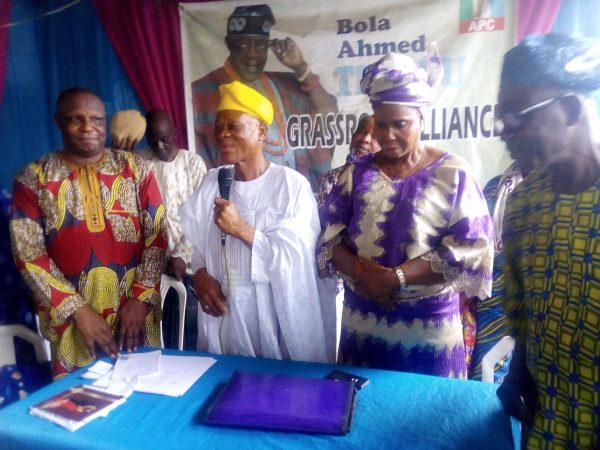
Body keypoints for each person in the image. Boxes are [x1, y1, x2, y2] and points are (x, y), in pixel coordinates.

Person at [318, 52, 493, 378]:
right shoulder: (355, 174)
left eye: (400, 124)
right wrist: (365, 277)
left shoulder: (453, 173)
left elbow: (472, 248)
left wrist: (394, 278)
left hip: (428, 333)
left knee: (427, 408)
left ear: (421, 119)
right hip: (362, 325)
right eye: (381, 124)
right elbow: (328, 238)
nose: (388, 135)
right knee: (360, 404)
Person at [10, 87, 167, 378]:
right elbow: (29, 254)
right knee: (80, 396)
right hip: (72, 322)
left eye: (96, 119)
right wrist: (77, 310)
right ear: (59, 121)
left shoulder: (135, 168)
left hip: (134, 316)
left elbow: (156, 236)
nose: (87, 127)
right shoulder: (33, 178)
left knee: (145, 389)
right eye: (75, 119)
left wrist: (141, 297)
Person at [495, 33, 600, 449]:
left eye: (516, 116)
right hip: (548, 423)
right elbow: (523, 313)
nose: (503, 132)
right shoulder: (524, 203)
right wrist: (520, 376)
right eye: (499, 117)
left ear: (570, 109)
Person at [180, 81, 334, 363]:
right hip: (223, 319)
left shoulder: (291, 186)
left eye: (233, 126)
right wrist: (200, 276)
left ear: (261, 131)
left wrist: (242, 230)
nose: (222, 134)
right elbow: (198, 245)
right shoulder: (212, 181)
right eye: (218, 127)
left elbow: (300, 262)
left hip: (273, 321)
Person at [191, 4, 338, 192]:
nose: (253, 53)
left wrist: (301, 67)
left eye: (260, 45)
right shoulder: (200, 93)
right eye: (243, 44)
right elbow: (200, 165)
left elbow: (328, 112)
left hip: (290, 194)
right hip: (236, 196)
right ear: (229, 44)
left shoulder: (282, 84)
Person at [145, 109, 206, 349]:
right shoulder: (144, 165)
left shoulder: (193, 164)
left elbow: (202, 215)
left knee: (188, 335)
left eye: (164, 139)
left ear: (175, 133)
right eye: (153, 141)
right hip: (157, 267)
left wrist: (180, 255)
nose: (160, 146)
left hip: (189, 267)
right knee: (164, 336)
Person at [469, 161, 528, 382]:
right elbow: (474, 241)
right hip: (491, 296)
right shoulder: (495, 186)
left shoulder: (569, 190)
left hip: (543, 298)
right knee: (486, 367)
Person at [316, 114, 381, 205]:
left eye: (375, 136)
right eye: (361, 131)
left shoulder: (388, 185)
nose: (365, 139)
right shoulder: (332, 177)